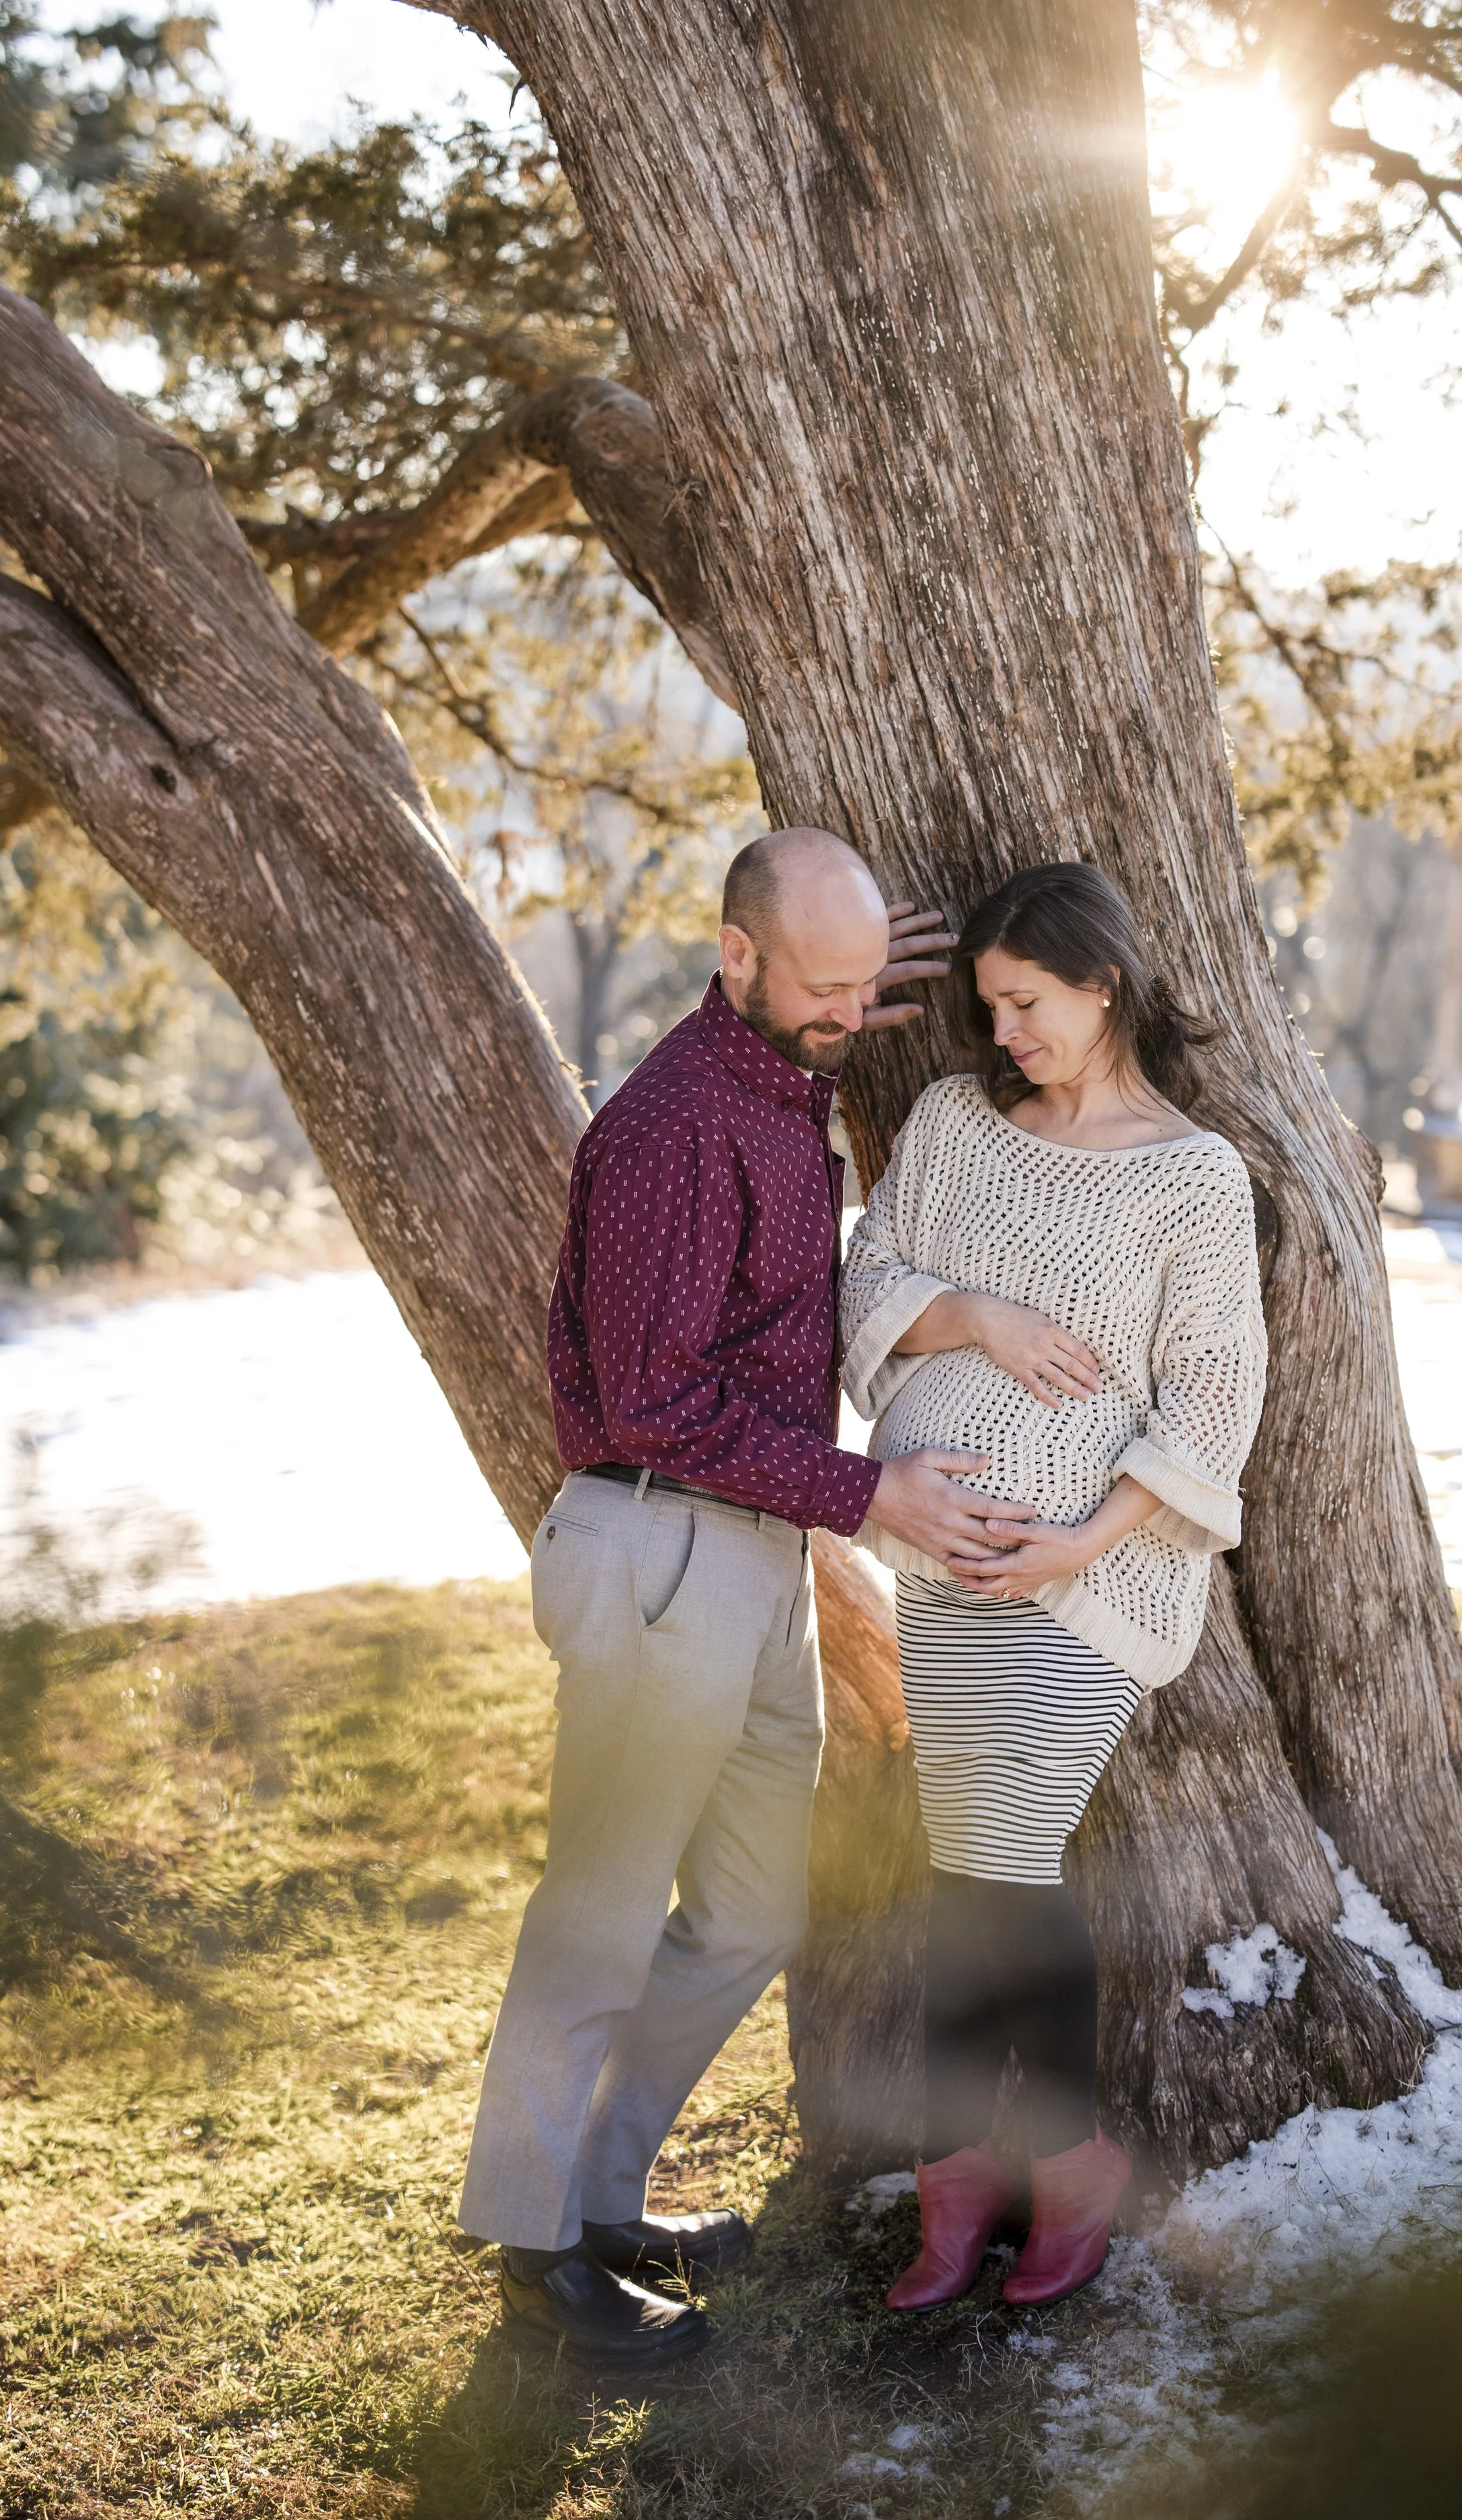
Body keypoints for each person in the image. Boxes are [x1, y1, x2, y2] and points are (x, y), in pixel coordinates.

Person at [458, 826, 1040, 2369]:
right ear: (734, 957)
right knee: (594, 1915)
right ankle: (534, 2255)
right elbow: (647, 1399)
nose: (853, 1012)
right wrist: (871, 1497)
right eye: (823, 985)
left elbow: (831, 1009)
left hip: (752, 1557)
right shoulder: (669, 1129)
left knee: (750, 1912)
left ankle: (596, 2197)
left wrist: (851, 973)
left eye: (869, 983)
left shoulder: (786, 1071)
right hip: (657, 1542)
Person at [840, 859, 1267, 2311]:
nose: (1002, 1031)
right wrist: (977, 1313)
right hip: (941, 1566)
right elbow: (868, 1274)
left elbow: (1215, 1391)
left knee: (996, 1867)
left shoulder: (1190, 1177)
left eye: (1024, 1003)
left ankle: (1011, 2161)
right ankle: (993, 2165)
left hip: (1084, 1587)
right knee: (974, 1871)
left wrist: (1083, 1538)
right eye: (987, 1007)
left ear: (1102, 984)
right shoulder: (958, 1127)